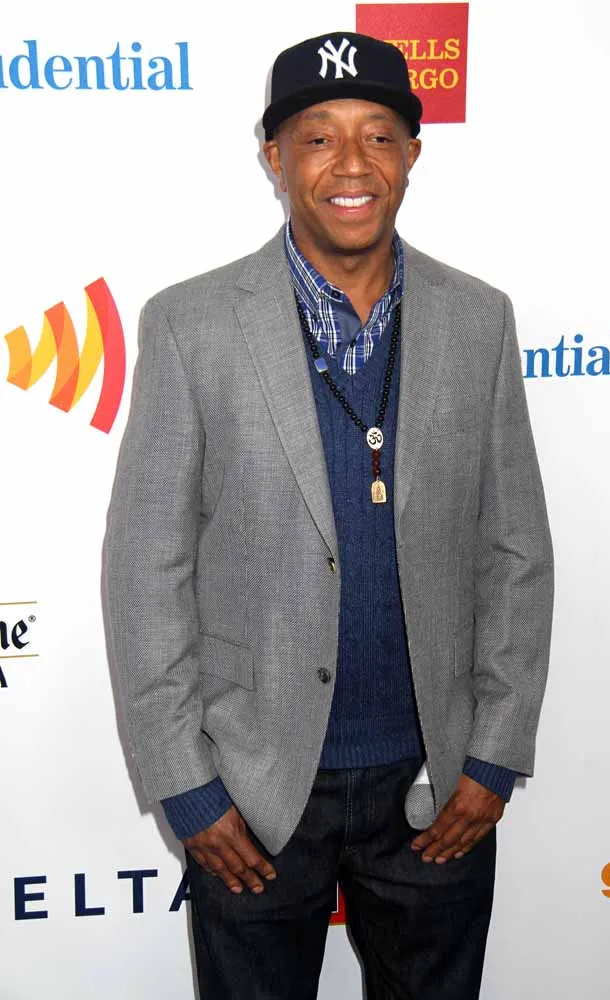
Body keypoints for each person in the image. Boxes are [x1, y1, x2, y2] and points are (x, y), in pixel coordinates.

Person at [102, 30, 554, 1000]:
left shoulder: (480, 318)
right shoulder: (189, 324)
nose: (351, 164)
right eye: (317, 137)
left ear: (411, 154)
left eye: (378, 135)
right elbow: (145, 568)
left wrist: (493, 756)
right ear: (274, 157)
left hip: (436, 788)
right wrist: (187, 785)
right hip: (253, 791)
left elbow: (515, 549)